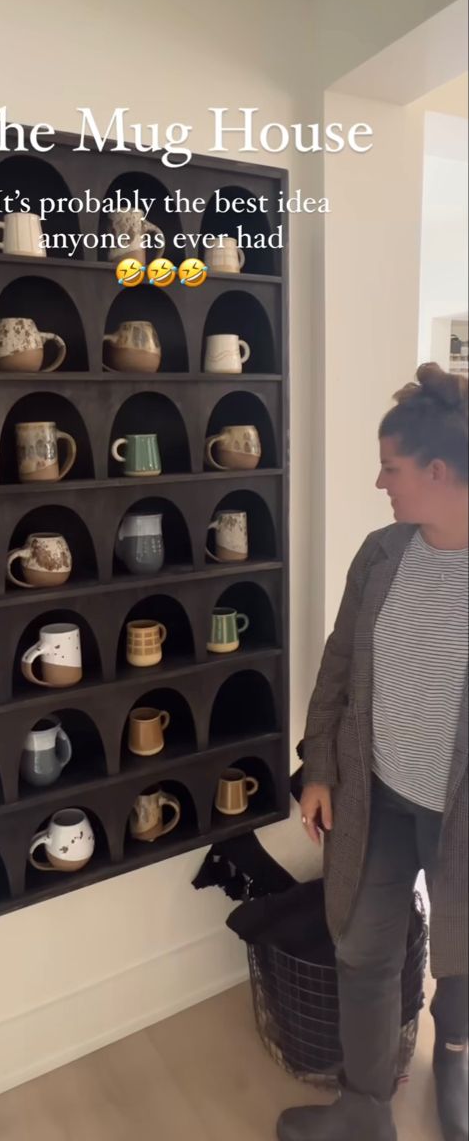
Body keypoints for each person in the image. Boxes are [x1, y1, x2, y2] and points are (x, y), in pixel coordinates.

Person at [277, 364, 468, 1141]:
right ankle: (364, 1107)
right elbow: (339, 671)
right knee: (361, 948)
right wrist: (318, 768)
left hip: (458, 818)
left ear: (437, 470)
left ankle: (452, 1054)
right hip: (374, 796)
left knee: (460, 948)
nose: (378, 481)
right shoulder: (381, 555)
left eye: (390, 467)